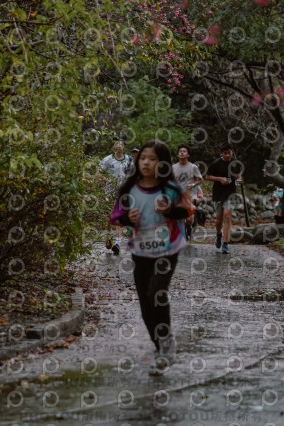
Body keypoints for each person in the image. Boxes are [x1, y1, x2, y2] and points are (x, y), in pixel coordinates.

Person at [109, 140, 194, 376]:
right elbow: (115, 216)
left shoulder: (171, 189)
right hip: (141, 251)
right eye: (143, 158)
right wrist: (128, 219)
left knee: (157, 292)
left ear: (162, 163)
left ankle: (167, 344)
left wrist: (169, 211)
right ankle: (161, 348)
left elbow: (188, 212)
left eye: (152, 159)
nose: (146, 162)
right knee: (146, 305)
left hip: (168, 249)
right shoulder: (130, 188)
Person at [98, 138, 134, 255]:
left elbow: (131, 174)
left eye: (121, 144)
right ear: (113, 146)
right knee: (109, 216)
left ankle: (117, 243)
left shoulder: (129, 159)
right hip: (108, 192)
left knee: (118, 216)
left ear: (124, 146)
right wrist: (109, 181)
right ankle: (109, 236)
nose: (118, 146)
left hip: (122, 193)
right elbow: (98, 174)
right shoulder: (107, 160)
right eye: (116, 144)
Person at [205, 144, 242, 254]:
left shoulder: (235, 163)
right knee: (219, 219)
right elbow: (207, 176)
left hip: (231, 193)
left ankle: (225, 244)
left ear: (232, 152)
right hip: (218, 193)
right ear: (221, 153)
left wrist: (239, 179)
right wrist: (220, 179)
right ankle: (218, 234)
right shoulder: (216, 163)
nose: (227, 155)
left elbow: (238, 174)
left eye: (229, 153)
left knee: (227, 216)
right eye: (225, 153)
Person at [172, 145, 203, 241]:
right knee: (181, 217)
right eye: (180, 151)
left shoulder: (193, 167)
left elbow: (200, 179)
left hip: (190, 196)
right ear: (178, 154)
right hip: (178, 196)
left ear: (188, 155)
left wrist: (193, 184)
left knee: (189, 219)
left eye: (184, 151)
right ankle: (183, 237)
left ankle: (189, 226)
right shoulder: (173, 167)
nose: (182, 153)